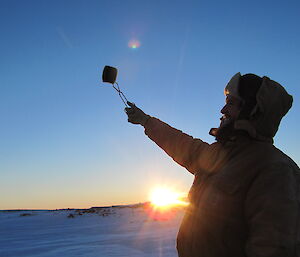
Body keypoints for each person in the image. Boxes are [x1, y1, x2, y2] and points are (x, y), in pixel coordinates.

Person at [125, 73, 300, 257]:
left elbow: (274, 248)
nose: (223, 109)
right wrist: (145, 121)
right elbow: (182, 144)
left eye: (231, 103)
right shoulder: (220, 153)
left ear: (252, 110)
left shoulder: (276, 170)